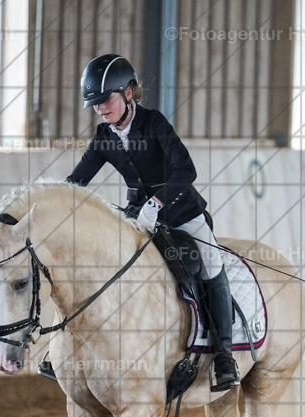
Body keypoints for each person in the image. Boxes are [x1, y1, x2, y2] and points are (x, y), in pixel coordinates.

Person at [65, 54, 240, 391]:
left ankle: (223, 356)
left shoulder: (155, 123)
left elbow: (186, 171)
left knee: (210, 266)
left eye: (106, 100)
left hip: (181, 214)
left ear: (128, 93)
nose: (101, 109)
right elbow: (76, 183)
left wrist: (157, 202)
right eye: (95, 104)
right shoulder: (104, 137)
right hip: (137, 218)